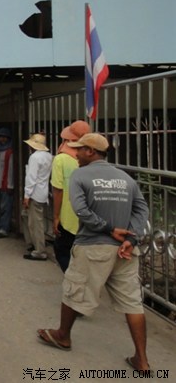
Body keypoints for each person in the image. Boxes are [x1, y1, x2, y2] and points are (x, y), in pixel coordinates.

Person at [37, 133, 150, 373]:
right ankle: (142, 359)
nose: (75, 154)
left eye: (79, 149)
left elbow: (80, 210)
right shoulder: (125, 178)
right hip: (125, 251)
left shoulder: (80, 175)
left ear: (90, 151)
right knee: (132, 303)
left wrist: (108, 229)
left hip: (93, 246)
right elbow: (142, 209)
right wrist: (132, 238)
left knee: (74, 290)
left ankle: (63, 335)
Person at [51, 120, 91, 272]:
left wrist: (56, 216)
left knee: (62, 250)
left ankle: (74, 279)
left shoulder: (60, 159)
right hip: (89, 216)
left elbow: (58, 190)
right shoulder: (92, 157)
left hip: (68, 216)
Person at [21, 134, 53, 260]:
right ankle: (33, 243)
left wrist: (26, 195)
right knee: (30, 218)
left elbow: (31, 177)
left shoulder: (34, 157)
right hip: (42, 192)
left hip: (34, 193)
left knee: (35, 223)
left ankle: (39, 250)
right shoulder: (49, 156)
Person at [0, 128, 14, 238]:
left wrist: (10, 185)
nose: (2, 139)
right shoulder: (1, 151)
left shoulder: (9, 152)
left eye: (5, 137)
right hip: (1, 183)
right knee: (3, 206)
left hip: (6, 184)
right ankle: (2, 224)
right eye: (1, 137)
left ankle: (4, 229)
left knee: (5, 207)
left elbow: (10, 170)